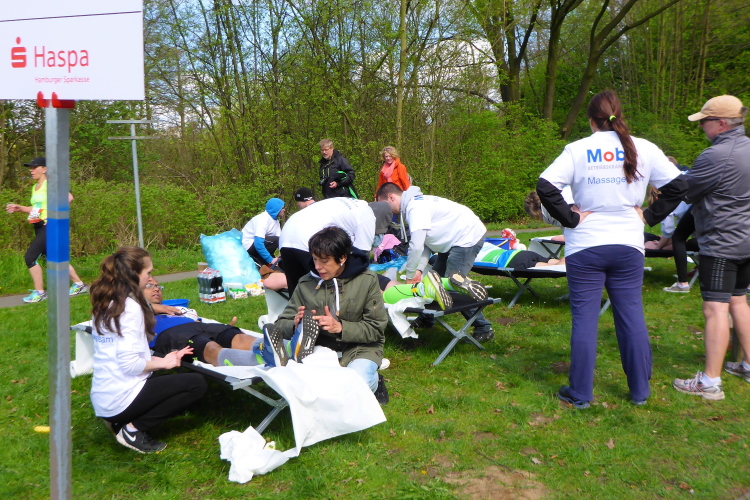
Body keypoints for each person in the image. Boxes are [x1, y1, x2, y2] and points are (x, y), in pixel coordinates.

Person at [537, 90, 685, 408]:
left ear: (592, 121)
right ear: (619, 115)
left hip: (585, 245)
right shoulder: (644, 148)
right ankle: (640, 391)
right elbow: (679, 186)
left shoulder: (578, 150)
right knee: (631, 317)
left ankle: (580, 393)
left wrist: (570, 218)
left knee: (585, 320)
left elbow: (545, 186)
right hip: (628, 243)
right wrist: (650, 216)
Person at [667, 95, 750, 400]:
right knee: (739, 301)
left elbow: (685, 191)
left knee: (715, 308)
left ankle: (710, 382)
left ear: (721, 123)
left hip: (721, 243)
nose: (701, 126)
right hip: (746, 240)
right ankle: (748, 365)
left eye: (704, 121)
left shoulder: (715, 155)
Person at [89, 247, 207, 453]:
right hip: (119, 399)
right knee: (196, 384)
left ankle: (118, 422)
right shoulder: (130, 308)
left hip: (103, 396)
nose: (151, 277)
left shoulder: (106, 300)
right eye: (148, 272)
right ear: (134, 275)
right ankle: (133, 430)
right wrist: (164, 363)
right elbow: (130, 364)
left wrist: (162, 360)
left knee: (167, 376)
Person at [266, 226, 389, 401]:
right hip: (319, 349)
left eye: (324, 261)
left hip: (361, 348)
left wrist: (340, 328)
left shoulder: (367, 281)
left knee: (355, 385)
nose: (318, 267)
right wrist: (294, 324)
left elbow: (376, 329)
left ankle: (375, 380)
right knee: (307, 388)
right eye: (315, 259)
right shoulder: (305, 283)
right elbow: (280, 325)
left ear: (342, 258)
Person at [376, 182, 495, 342]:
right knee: (433, 281)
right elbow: (426, 244)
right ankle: (426, 319)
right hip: (451, 240)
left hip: (466, 238)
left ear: (391, 197)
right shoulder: (414, 205)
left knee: (452, 284)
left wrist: (410, 275)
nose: (387, 211)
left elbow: (416, 246)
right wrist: (418, 270)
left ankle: (484, 328)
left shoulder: (415, 208)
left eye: (384, 205)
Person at [5, 157, 88, 303]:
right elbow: (37, 208)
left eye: (34, 167)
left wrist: (55, 216)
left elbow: (69, 198)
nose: (31, 170)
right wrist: (20, 208)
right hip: (38, 225)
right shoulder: (35, 187)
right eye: (30, 168)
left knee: (30, 257)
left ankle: (39, 292)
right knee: (54, 257)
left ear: (44, 169)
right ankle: (79, 284)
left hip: (50, 225)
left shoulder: (51, 184)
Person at [278, 198, 391, 295]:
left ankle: (296, 313)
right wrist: (372, 288)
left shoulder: (353, 204)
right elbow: (360, 258)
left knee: (297, 292)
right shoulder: (367, 216)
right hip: (308, 238)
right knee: (327, 291)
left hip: (287, 234)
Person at [241, 197, 285, 269]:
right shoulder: (262, 219)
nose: (284, 210)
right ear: (276, 209)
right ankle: (259, 265)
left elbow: (281, 242)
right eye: (282, 208)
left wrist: (287, 255)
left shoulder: (275, 221)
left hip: (256, 245)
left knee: (278, 240)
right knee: (275, 240)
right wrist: (270, 260)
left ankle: (264, 264)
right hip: (246, 247)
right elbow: (258, 244)